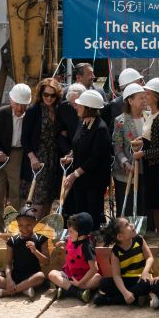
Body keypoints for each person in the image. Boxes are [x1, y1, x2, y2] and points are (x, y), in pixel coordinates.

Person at [62, 91, 111, 227]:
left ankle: (92, 240)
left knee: (92, 214)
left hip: (94, 180)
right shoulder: (82, 123)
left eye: (80, 105)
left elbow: (96, 157)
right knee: (80, 213)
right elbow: (79, 144)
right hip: (81, 179)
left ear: (88, 108)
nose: (76, 107)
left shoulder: (100, 129)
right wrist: (71, 155)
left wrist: (75, 174)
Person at [0, 83, 32, 231]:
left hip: (19, 155)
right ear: (11, 100)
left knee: (16, 195)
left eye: (23, 105)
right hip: (0, 156)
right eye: (17, 104)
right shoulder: (0, 114)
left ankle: (16, 229)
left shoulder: (31, 115)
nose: (20, 108)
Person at [0, 206, 49, 299]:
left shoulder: (41, 239)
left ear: (35, 223)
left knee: (40, 276)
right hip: (16, 275)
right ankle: (23, 289)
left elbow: (47, 262)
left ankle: (4, 292)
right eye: (20, 225)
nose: (24, 229)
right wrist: (9, 279)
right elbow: (8, 263)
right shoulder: (13, 241)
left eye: (28, 225)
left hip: (31, 276)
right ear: (17, 224)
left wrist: (35, 251)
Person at [22, 77, 63, 218]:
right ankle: (32, 232)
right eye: (46, 94)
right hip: (38, 158)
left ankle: (42, 233)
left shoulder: (59, 110)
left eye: (52, 95)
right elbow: (24, 138)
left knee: (49, 197)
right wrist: (32, 157)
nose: (49, 98)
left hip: (54, 158)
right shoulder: (34, 111)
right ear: (41, 94)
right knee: (37, 197)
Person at [136, 78, 159, 232]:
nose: (145, 95)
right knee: (154, 205)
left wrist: (143, 153)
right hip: (151, 166)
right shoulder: (152, 115)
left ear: (156, 96)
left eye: (148, 93)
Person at [93, 217, 154, 306]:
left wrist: (145, 272)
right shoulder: (115, 252)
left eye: (129, 223)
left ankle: (108, 300)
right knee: (104, 283)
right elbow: (117, 276)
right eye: (127, 225)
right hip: (125, 280)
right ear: (120, 236)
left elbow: (150, 257)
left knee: (147, 284)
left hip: (140, 278)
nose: (132, 225)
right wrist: (125, 292)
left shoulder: (139, 240)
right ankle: (135, 297)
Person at [112, 83, 148, 220]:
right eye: (141, 98)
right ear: (130, 100)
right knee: (126, 203)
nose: (144, 101)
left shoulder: (149, 118)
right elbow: (117, 145)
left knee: (142, 203)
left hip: (145, 169)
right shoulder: (120, 121)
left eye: (145, 98)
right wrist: (125, 162)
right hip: (126, 171)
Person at [48, 212, 101, 302]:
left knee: (97, 278)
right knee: (52, 274)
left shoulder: (87, 247)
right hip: (70, 276)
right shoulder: (72, 239)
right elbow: (70, 245)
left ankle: (67, 290)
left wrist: (79, 283)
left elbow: (94, 269)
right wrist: (62, 243)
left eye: (71, 231)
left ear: (81, 233)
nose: (68, 234)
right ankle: (78, 293)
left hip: (85, 279)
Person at [102, 68, 145, 134]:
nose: (143, 84)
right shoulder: (116, 105)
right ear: (130, 85)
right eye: (140, 81)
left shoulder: (146, 101)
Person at [57, 83, 86, 157]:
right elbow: (60, 132)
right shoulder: (64, 107)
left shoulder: (92, 108)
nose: (74, 107)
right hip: (69, 153)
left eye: (77, 103)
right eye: (71, 103)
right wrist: (68, 151)